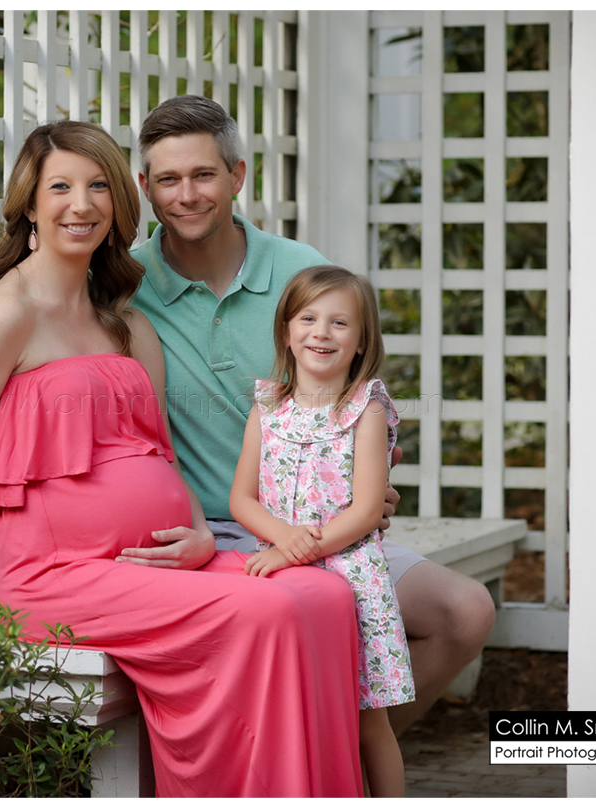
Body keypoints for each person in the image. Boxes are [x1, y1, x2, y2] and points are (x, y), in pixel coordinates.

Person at [0, 120, 364, 797]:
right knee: (269, 613)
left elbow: (163, 455)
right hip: (54, 577)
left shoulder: (125, 321)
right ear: (29, 205)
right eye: (60, 187)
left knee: (326, 596)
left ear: (120, 202)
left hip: (153, 561)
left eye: (98, 186)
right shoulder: (8, 314)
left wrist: (199, 533)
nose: (82, 204)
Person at [124, 94, 497, 735]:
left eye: (204, 174)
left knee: (465, 613)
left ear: (238, 176)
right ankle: (314, 765)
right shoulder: (127, 287)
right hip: (209, 531)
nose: (186, 195)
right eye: (168, 179)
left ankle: (340, 764)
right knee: (294, 626)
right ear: (145, 187)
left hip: (320, 528)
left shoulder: (300, 269)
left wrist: (371, 484)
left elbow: (351, 405)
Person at [230, 266, 414, 797]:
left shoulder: (365, 409)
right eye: (308, 318)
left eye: (340, 323)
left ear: (361, 341)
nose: (322, 333)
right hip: (284, 576)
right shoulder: (268, 407)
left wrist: (295, 551)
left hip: (352, 579)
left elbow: (365, 511)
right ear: (287, 331)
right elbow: (241, 499)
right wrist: (281, 540)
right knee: (298, 706)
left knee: (367, 722)